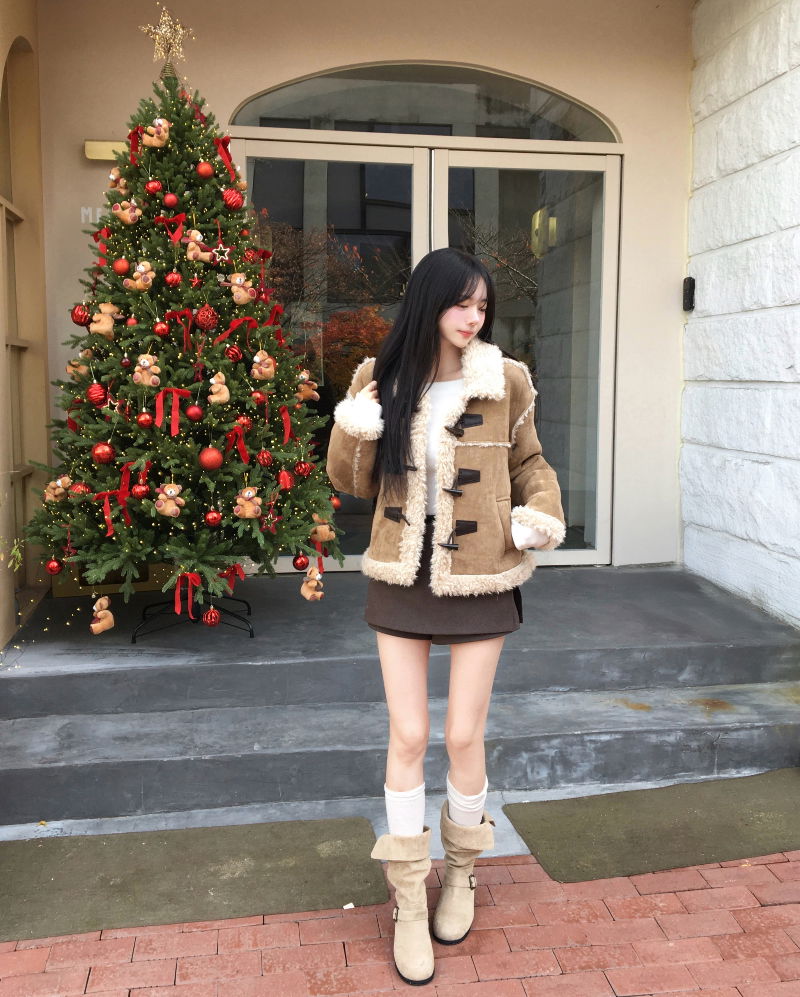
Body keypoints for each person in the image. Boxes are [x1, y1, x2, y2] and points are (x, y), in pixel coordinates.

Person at [326, 247, 565, 986]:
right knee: (408, 734)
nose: (473, 317)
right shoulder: (380, 378)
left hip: (482, 572)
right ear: (429, 303)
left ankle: (460, 873)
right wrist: (357, 423)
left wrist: (540, 513)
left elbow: (530, 464)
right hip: (402, 573)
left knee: (463, 734)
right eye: (462, 303)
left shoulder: (506, 379)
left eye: (482, 306)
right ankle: (408, 898)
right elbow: (350, 480)